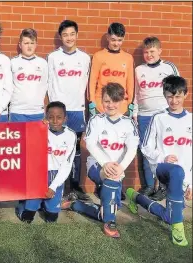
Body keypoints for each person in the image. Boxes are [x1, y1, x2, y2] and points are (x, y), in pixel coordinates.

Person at [63, 83, 139, 238]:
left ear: (122, 101)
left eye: (114, 101)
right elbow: (90, 144)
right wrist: (106, 163)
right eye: (106, 101)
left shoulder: (129, 123)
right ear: (101, 101)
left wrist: (121, 167)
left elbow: (132, 148)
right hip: (97, 165)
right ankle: (110, 224)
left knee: (110, 207)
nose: (110, 105)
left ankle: (76, 205)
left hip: (119, 170)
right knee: (111, 180)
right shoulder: (96, 120)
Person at [127, 75, 192, 247]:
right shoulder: (158, 118)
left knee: (170, 214)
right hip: (162, 169)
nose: (174, 100)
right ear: (164, 95)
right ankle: (178, 229)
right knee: (176, 170)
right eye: (170, 96)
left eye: (178, 96)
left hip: (184, 175)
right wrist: (162, 157)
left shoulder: (191, 119)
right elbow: (145, 146)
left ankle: (136, 197)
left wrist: (191, 184)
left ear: (185, 94)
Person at [47, 20, 91, 201]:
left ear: (77, 35)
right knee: (56, 149)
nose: (69, 38)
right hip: (59, 112)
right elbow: (48, 84)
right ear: (60, 37)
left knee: (76, 151)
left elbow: (85, 86)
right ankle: (59, 187)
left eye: (72, 34)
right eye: (65, 35)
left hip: (76, 111)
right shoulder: (52, 57)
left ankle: (74, 186)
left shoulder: (85, 58)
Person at [134, 37, 180, 201]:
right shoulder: (139, 70)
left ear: (160, 51)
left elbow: (178, 89)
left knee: (163, 150)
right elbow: (136, 93)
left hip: (163, 116)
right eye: (146, 52)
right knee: (146, 151)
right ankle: (148, 185)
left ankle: (162, 187)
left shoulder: (169, 67)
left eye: (152, 51)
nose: (149, 55)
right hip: (144, 116)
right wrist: (135, 113)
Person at [16, 101, 77, 223]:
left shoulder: (71, 135)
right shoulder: (40, 129)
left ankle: (46, 205)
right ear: (46, 117)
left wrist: (53, 187)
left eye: (59, 117)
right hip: (38, 174)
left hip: (56, 175)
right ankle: (22, 205)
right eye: (51, 117)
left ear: (65, 118)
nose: (55, 121)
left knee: (51, 219)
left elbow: (67, 165)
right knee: (27, 219)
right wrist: (39, 127)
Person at [88, 22, 134, 117]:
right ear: (107, 37)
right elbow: (91, 82)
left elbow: (131, 84)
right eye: (113, 40)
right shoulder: (98, 56)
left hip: (121, 107)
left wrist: (130, 104)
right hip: (101, 106)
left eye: (119, 40)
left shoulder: (128, 58)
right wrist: (92, 103)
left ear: (123, 38)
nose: (116, 43)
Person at [9, 28, 48, 122]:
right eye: (26, 43)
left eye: (32, 43)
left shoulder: (42, 63)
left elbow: (45, 86)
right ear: (20, 45)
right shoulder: (12, 62)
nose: (29, 46)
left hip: (37, 112)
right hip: (17, 111)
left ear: (36, 45)